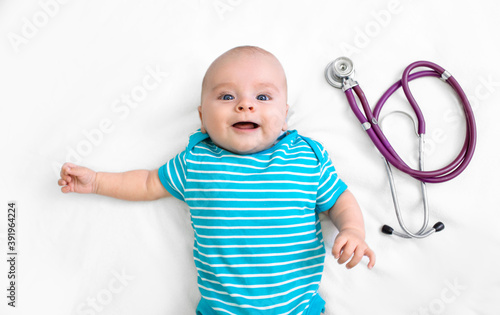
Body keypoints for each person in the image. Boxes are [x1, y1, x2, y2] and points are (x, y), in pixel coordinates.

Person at [58, 45, 375, 315]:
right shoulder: (197, 161)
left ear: (285, 114)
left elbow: (339, 198)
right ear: (201, 117)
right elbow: (146, 183)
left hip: (298, 307)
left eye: (263, 97)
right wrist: (97, 181)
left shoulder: (305, 156)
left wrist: (352, 230)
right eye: (226, 96)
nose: (245, 104)